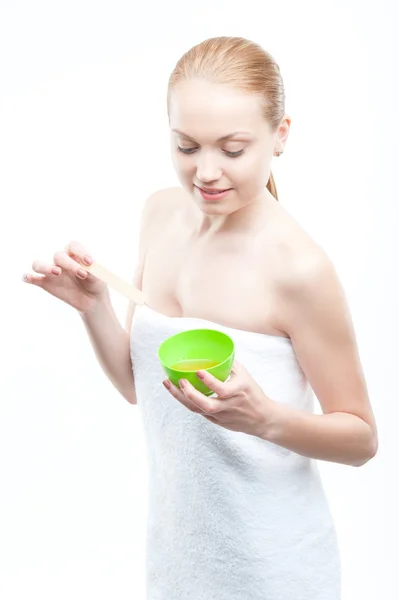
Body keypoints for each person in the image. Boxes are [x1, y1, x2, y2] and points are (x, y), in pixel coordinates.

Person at [23, 36, 378, 599]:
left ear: (280, 136)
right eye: (187, 146)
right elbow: (146, 389)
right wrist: (95, 309)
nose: (206, 172)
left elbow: (361, 440)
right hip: (180, 557)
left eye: (232, 150)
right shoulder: (160, 213)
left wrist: (265, 418)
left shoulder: (299, 269)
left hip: (273, 568)